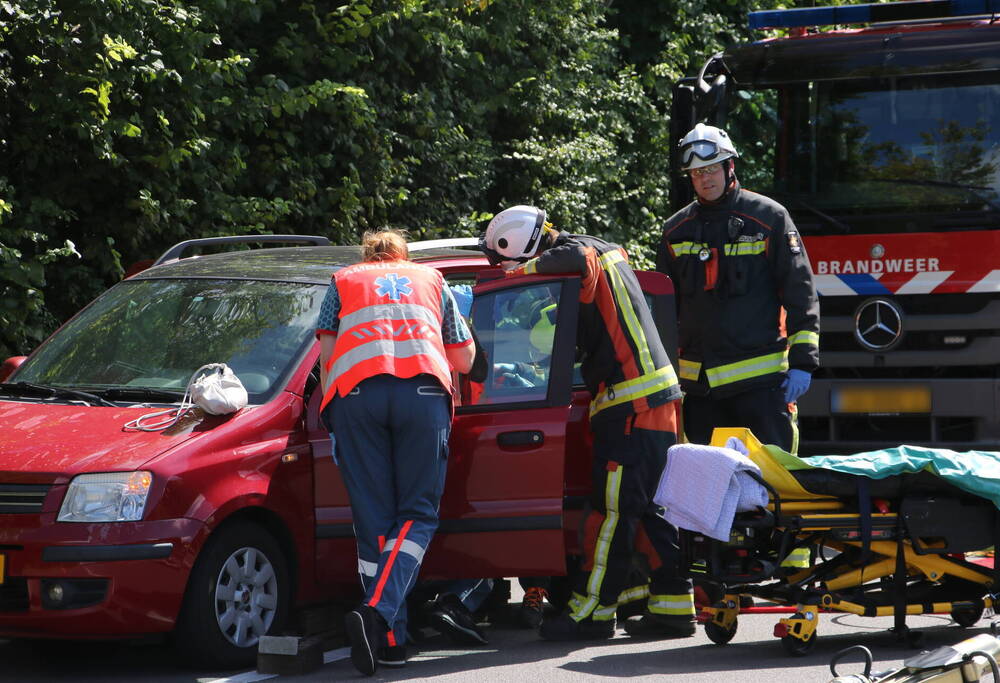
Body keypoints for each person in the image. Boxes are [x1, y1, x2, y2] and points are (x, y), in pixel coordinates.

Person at [481, 205, 696, 641]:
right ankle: (671, 606)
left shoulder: (576, 253)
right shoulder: (605, 247)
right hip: (654, 398)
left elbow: (573, 263)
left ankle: (590, 614)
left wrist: (515, 276)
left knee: (611, 513)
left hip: (632, 404)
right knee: (653, 508)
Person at [316, 229, 475, 675]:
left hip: (355, 399)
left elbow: (327, 355)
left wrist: (335, 414)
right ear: (403, 256)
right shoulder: (433, 279)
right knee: (418, 515)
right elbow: (463, 360)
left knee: (374, 523)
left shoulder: (342, 280)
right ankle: (377, 613)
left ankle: (389, 640)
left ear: (368, 256)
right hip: (423, 396)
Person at [657, 124, 820, 455]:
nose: (705, 178)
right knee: (710, 492)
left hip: (761, 387)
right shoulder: (675, 231)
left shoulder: (769, 219)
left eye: (712, 168)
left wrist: (804, 362)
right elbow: (663, 310)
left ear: (730, 167)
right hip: (701, 392)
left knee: (772, 486)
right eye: (697, 172)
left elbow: (800, 293)